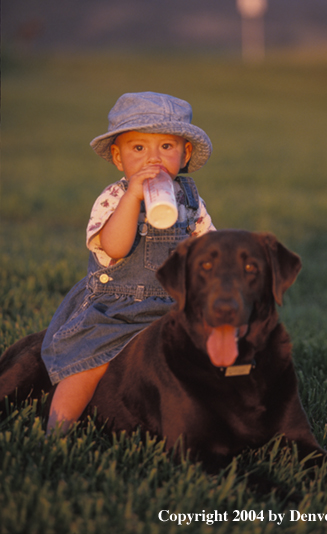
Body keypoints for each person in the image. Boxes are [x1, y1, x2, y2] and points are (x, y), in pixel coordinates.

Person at [41, 92, 215, 434]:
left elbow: (207, 251)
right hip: (117, 307)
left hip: (172, 308)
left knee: (208, 361)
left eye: (166, 147)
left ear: (186, 153)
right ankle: (55, 431)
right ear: (119, 158)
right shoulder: (115, 197)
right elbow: (114, 247)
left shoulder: (190, 201)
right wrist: (134, 199)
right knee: (87, 364)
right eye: (139, 148)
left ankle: (199, 426)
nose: (154, 159)